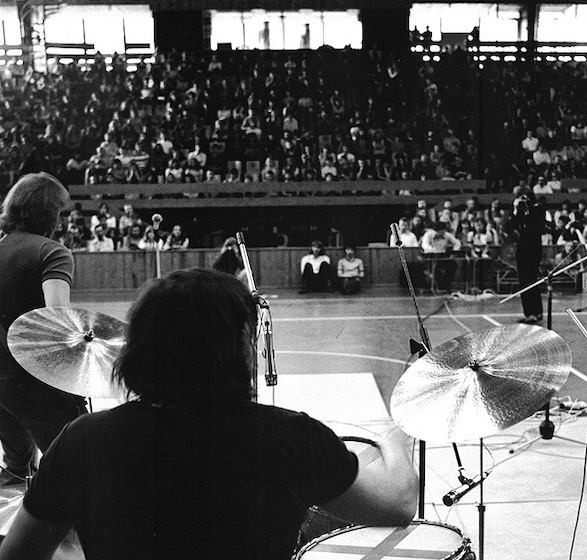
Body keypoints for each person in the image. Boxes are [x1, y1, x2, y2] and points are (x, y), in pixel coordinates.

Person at [0, 268, 418, 560]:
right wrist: (397, 440)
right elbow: (397, 503)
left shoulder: (82, 438)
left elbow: (19, 553)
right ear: (238, 348)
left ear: (136, 348)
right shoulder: (288, 436)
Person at [0, 172, 88, 487]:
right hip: (37, 383)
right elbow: (57, 317)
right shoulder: (52, 252)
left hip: (2, 385)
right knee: (75, 473)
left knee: (16, 472)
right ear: (48, 213)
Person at [508, 185, 546, 324]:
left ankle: (536, 311)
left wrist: (529, 210)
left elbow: (539, 226)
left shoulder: (538, 208)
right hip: (522, 248)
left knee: (532, 279)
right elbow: (511, 226)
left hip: (534, 247)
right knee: (523, 280)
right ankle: (529, 312)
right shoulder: (520, 211)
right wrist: (516, 209)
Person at [420, 221, 461, 292]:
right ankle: (438, 285)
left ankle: (445, 284)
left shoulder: (446, 235)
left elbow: (457, 243)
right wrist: (433, 250)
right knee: (435, 268)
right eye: (441, 232)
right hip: (430, 257)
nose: (443, 233)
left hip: (442, 256)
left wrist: (454, 251)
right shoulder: (428, 235)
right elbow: (425, 245)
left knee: (453, 265)